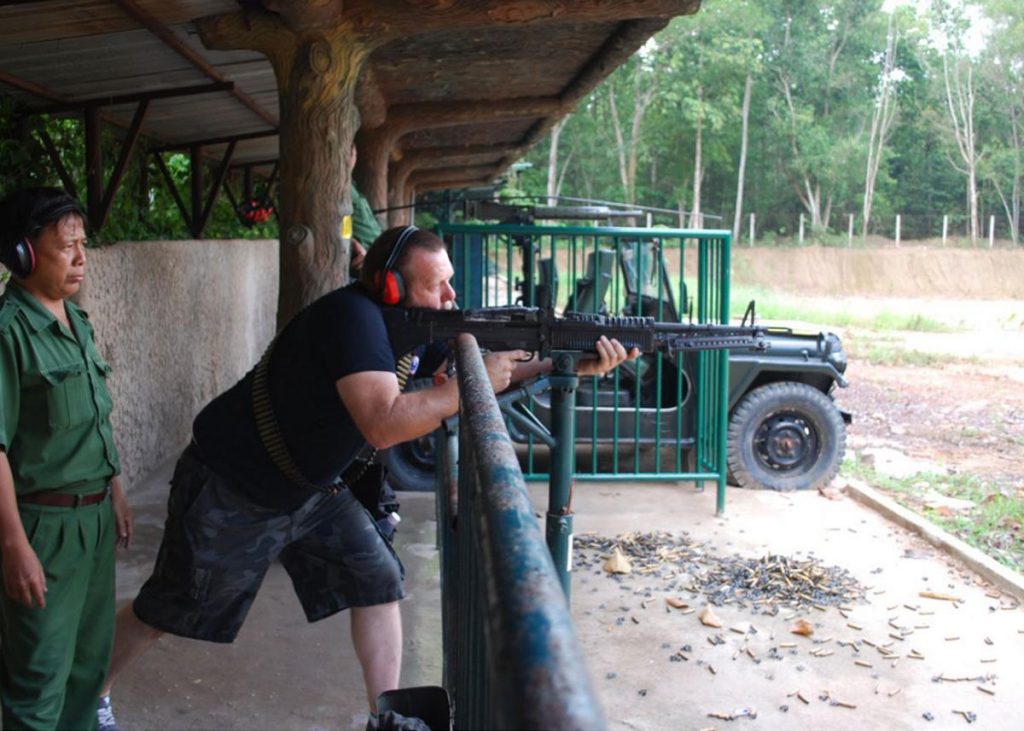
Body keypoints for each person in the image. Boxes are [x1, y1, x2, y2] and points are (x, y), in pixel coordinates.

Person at [97, 225, 635, 729]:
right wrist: (464, 386)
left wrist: (566, 365)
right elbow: (382, 424)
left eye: (450, 282)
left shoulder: (412, 325)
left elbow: (483, 375)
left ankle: (386, 718)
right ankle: (90, 695)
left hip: (308, 489)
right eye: (438, 284)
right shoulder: (352, 319)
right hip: (234, 485)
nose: (452, 296)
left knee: (378, 580)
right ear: (392, 287)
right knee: (168, 607)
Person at [0, 187, 133, 731]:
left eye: (83, 244)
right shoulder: (9, 332)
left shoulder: (77, 323)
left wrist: (117, 493)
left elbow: (96, 420)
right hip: (42, 530)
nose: (81, 257)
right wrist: (13, 546)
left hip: (95, 521)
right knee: (39, 679)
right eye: (66, 246)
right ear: (24, 254)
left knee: (86, 668)